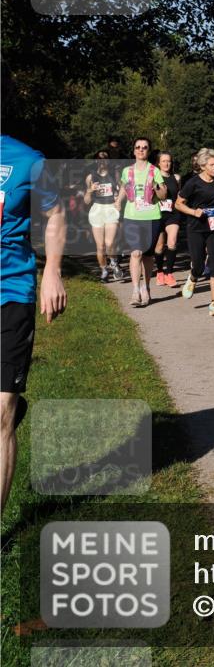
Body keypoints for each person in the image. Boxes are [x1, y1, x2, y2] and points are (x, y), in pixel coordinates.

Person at [1, 134, 67, 507]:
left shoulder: (27, 160)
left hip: (9, 291)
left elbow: (55, 213)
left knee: (1, 413)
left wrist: (53, 273)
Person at [115, 137, 167, 307]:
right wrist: (118, 201)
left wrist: (156, 188)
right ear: (134, 150)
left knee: (148, 255)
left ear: (148, 150)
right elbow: (124, 187)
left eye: (144, 147)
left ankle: (146, 287)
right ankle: (135, 291)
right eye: (138, 147)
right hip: (132, 216)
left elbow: (163, 196)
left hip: (152, 216)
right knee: (136, 252)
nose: (141, 150)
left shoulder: (155, 171)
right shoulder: (127, 171)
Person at [176, 147, 214, 317]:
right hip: (196, 226)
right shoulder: (193, 183)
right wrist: (193, 212)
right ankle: (193, 277)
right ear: (203, 166)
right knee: (198, 264)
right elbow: (178, 203)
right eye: (212, 165)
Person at [83, 150, 123, 281]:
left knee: (109, 243)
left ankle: (114, 261)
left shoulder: (114, 174)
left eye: (105, 157)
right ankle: (104, 270)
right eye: (100, 158)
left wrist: (118, 200)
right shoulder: (90, 177)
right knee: (100, 246)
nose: (102, 160)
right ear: (96, 160)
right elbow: (86, 201)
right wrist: (90, 190)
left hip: (111, 208)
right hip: (97, 210)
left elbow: (123, 190)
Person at [153, 151, 181, 288]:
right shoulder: (152, 178)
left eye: (169, 161)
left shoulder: (176, 177)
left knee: (172, 241)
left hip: (173, 214)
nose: (166, 163)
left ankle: (169, 273)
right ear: (158, 163)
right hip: (157, 214)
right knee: (159, 246)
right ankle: (159, 272)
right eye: (163, 161)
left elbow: (180, 196)